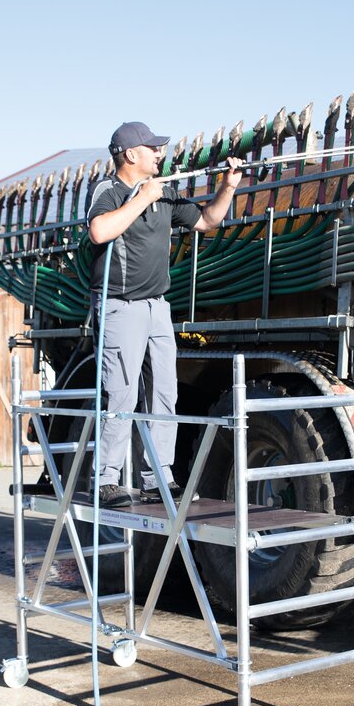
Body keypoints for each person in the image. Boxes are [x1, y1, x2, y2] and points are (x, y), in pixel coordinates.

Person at [88, 121, 244, 506]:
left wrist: (228, 187)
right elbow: (99, 231)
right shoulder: (108, 190)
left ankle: (157, 477)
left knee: (164, 392)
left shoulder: (165, 193)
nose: (160, 153)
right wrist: (142, 198)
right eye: (152, 148)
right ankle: (105, 480)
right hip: (120, 306)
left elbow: (207, 221)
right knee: (121, 393)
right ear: (130, 155)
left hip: (157, 306)